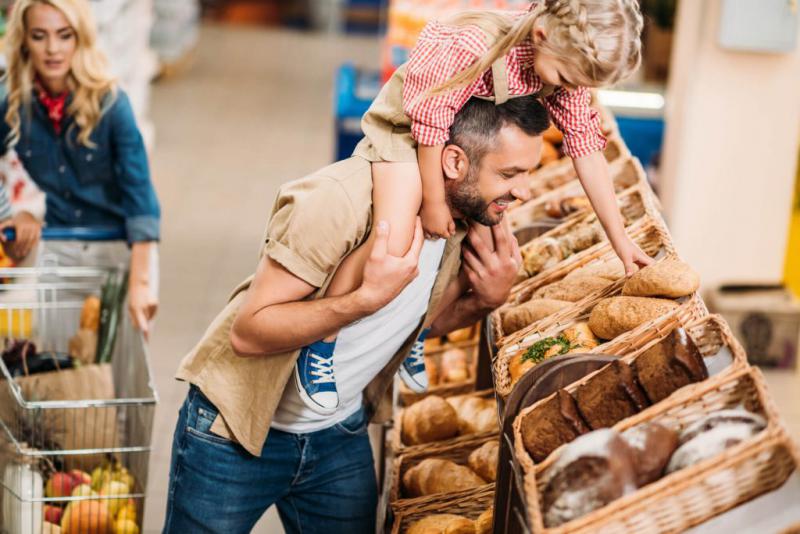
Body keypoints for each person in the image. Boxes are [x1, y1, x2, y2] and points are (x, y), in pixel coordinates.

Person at [164, 94, 549, 534]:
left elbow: (408, 326)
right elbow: (249, 333)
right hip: (236, 434)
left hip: (338, 434)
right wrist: (361, 300)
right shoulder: (337, 203)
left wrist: (483, 300)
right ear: (455, 162)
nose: (524, 191)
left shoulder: (462, 222)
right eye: (510, 174)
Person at [294, 0, 655, 414]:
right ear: (541, 37)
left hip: (461, 144)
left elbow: (587, 151)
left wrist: (620, 240)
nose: (565, 91)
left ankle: (413, 335)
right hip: (408, 132)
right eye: (563, 79)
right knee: (396, 237)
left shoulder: (558, 66)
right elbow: (428, 123)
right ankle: (321, 347)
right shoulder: (473, 44)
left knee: (471, 256)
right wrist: (432, 202)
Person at [0, 0, 161, 335]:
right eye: (39, 36)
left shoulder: (112, 103)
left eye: (64, 35)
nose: (53, 49)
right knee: (55, 367)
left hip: (123, 251)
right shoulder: (15, 105)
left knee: (120, 375)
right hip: (62, 246)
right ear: (25, 41)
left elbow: (141, 197)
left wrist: (140, 283)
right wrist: (10, 214)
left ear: (80, 38)